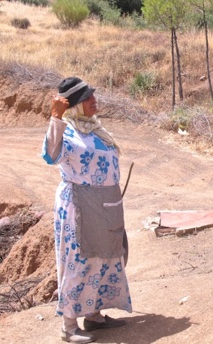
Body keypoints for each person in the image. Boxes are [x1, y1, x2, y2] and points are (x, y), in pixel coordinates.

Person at [42, 77, 132, 342]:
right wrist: (55, 119)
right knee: (78, 262)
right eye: (87, 98)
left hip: (106, 204)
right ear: (75, 106)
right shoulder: (66, 131)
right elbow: (50, 155)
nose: (94, 100)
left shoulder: (95, 129)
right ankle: (69, 328)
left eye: (93, 95)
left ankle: (94, 316)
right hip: (78, 206)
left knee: (105, 258)